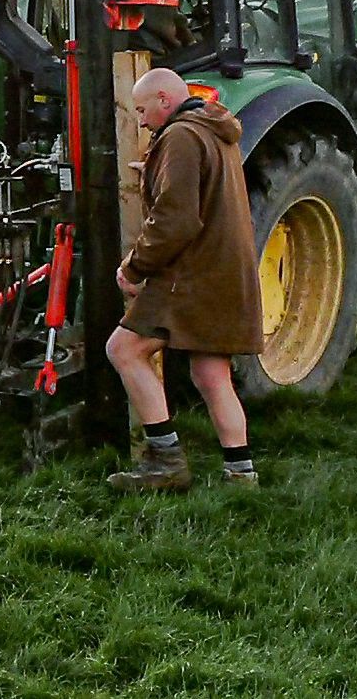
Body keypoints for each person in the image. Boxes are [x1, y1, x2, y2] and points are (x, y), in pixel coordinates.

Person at [104, 67, 264, 493]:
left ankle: (165, 460)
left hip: (193, 274)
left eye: (142, 109)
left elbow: (176, 220)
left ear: (164, 100)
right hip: (225, 271)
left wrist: (134, 267)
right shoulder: (215, 129)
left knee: (123, 349)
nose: (140, 120)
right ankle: (241, 475)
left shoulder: (179, 136)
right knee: (212, 376)